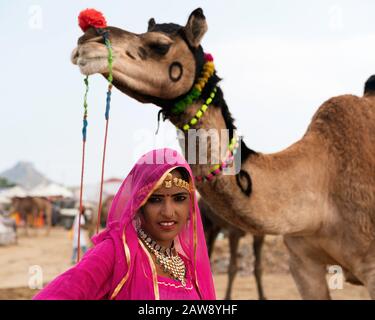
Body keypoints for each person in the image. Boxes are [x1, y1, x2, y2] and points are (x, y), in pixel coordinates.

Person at [33, 148, 216, 300]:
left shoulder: (189, 265)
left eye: (179, 198)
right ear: (139, 205)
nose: (168, 212)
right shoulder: (117, 253)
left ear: (190, 206)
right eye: (155, 199)